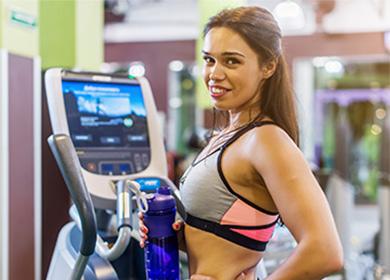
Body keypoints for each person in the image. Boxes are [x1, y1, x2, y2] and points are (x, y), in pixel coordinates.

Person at [140, 6, 343, 280]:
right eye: (209, 59)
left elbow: (325, 251)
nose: (214, 73)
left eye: (231, 61)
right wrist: (177, 237)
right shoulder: (228, 134)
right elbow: (226, 237)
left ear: (268, 66)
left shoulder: (266, 139)